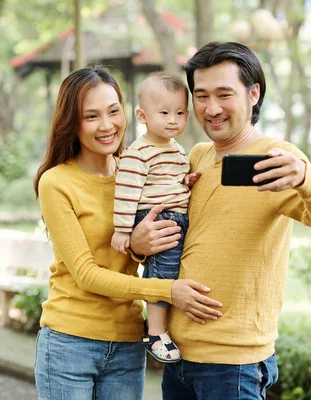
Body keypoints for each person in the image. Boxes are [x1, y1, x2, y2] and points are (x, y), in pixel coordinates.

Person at [130, 42, 311, 399]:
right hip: (177, 356)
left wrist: (305, 176)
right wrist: (140, 244)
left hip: (234, 365)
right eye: (201, 96)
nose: (211, 108)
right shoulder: (197, 156)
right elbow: (176, 235)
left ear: (253, 94)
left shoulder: (277, 159)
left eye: (223, 94)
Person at [33, 66, 223, 400]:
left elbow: (161, 227)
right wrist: (167, 290)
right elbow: (87, 275)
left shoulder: (136, 168)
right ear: (71, 122)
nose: (106, 126)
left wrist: (138, 246)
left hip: (127, 343)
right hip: (70, 342)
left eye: (112, 111)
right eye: (91, 116)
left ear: (127, 112)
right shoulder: (57, 182)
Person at [111, 72, 198, 363]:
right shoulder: (139, 152)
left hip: (174, 218)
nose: (173, 120)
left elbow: (172, 181)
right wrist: (123, 230)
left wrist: (187, 182)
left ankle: (162, 326)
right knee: (163, 272)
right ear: (142, 115)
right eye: (164, 113)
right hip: (153, 219)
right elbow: (126, 191)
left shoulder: (176, 150)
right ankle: (156, 331)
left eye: (180, 113)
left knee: (170, 270)